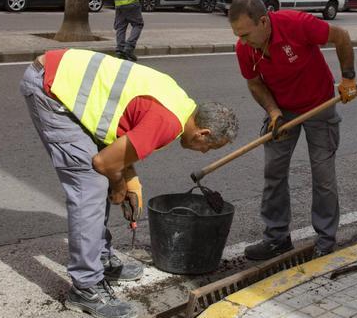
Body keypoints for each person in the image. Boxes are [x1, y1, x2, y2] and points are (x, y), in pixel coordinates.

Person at [20, 48, 238, 318]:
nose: (205, 152)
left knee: (103, 179)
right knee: (91, 187)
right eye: (210, 147)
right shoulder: (168, 123)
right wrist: (120, 185)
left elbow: (118, 130)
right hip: (50, 90)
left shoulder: (180, 103)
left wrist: (129, 178)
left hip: (61, 76)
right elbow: (104, 163)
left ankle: (99, 257)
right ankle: (84, 288)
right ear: (203, 133)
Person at [227, 0, 357, 260]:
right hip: (283, 111)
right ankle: (277, 238)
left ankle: (325, 239)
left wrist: (348, 78)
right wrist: (274, 112)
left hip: (319, 105)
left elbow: (341, 36)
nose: (242, 41)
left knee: (322, 175)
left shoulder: (297, 24)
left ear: (263, 21)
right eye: (238, 35)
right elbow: (254, 84)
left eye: (246, 34)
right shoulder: (245, 48)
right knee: (273, 172)